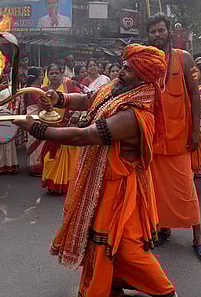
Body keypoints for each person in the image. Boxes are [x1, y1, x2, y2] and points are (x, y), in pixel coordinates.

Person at [13, 44, 176, 297]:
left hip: (117, 189)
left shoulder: (135, 114)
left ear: (143, 78)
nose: (121, 71)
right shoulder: (118, 89)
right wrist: (59, 99)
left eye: (128, 69)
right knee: (110, 243)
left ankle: (164, 291)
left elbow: (85, 136)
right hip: (99, 182)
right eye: (123, 65)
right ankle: (111, 284)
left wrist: (36, 129)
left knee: (122, 246)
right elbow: (90, 99)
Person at [147, 12, 201, 261]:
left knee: (186, 188)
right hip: (154, 137)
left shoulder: (184, 58)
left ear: (169, 33)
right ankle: (163, 228)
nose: (157, 35)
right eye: (153, 31)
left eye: (161, 30)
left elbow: (195, 96)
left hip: (180, 136)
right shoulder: (147, 61)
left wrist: (195, 130)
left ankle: (199, 236)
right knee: (156, 189)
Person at [40, 63, 79, 194]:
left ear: (62, 74)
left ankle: (64, 185)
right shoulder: (43, 89)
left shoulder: (68, 86)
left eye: (57, 73)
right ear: (48, 75)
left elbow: (79, 100)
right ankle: (52, 183)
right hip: (51, 129)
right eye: (52, 73)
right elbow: (40, 109)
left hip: (66, 127)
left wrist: (76, 115)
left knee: (68, 158)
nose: (55, 75)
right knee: (50, 157)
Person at [25, 67, 45, 177]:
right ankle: (35, 167)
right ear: (37, 77)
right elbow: (40, 101)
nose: (43, 77)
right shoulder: (33, 89)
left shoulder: (35, 88)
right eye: (41, 75)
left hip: (35, 115)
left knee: (38, 141)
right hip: (34, 115)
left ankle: (37, 165)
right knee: (36, 140)